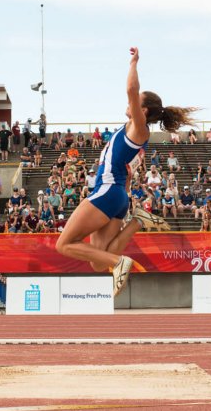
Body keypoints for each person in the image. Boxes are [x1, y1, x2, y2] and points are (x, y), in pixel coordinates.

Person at [56, 48, 197, 296]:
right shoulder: (132, 129)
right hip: (119, 196)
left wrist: (133, 63)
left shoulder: (139, 129)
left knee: (64, 244)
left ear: (143, 111)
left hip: (108, 192)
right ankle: (137, 222)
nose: (130, 102)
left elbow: (132, 90)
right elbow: (127, 169)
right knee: (98, 261)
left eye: (135, 102)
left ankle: (119, 262)